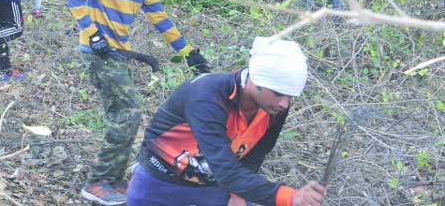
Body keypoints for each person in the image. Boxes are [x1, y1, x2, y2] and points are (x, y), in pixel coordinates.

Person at [68, 0, 211, 205]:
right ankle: (97, 182)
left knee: (122, 114)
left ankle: (112, 179)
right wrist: (93, 32)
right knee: (129, 113)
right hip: (98, 51)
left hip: (121, 52)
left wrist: (188, 53)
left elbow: (159, 17)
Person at [127, 36, 327, 206]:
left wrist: (239, 195)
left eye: (291, 96)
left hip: (214, 186)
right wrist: (291, 197)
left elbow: (256, 151)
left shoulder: (274, 105)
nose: (285, 104)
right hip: (161, 182)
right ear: (256, 80)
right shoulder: (207, 97)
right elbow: (226, 171)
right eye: (279, 94)